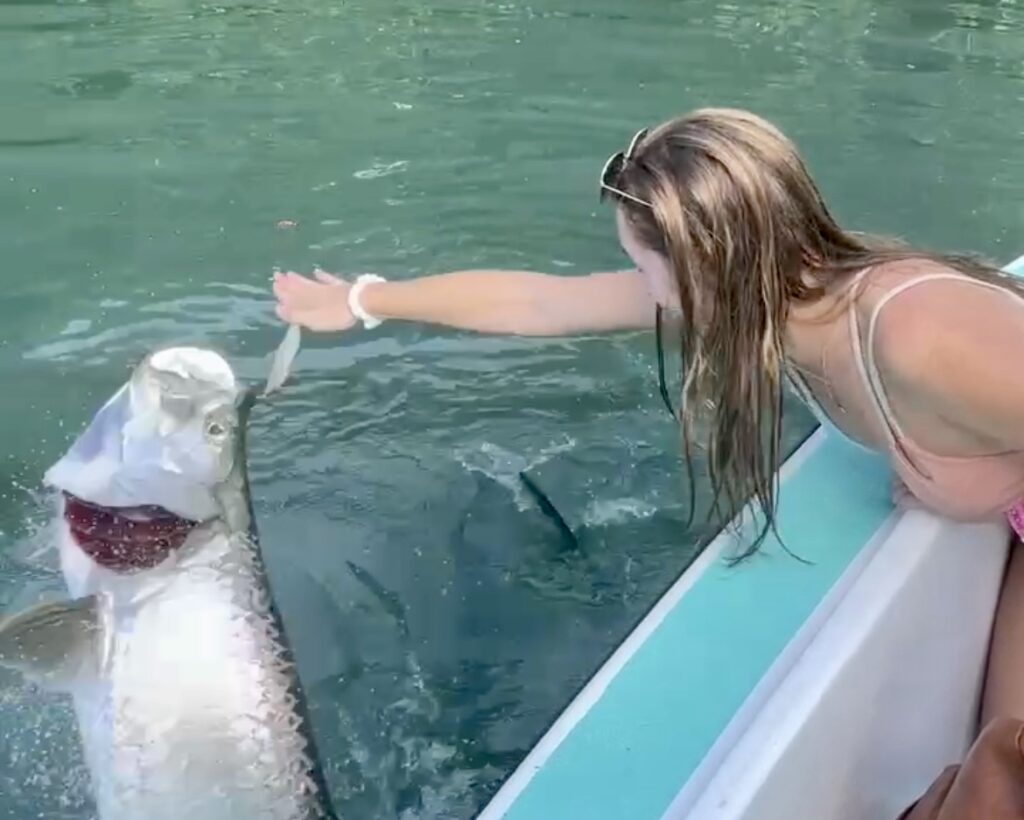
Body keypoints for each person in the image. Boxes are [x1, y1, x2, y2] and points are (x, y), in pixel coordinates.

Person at [272, 107, 1024, 813]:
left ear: (703, 264)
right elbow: (543, 305)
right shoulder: (766, 294)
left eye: (640, 262)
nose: (640, 284)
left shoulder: (913, 333)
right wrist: (367, 300)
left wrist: (980, 489)